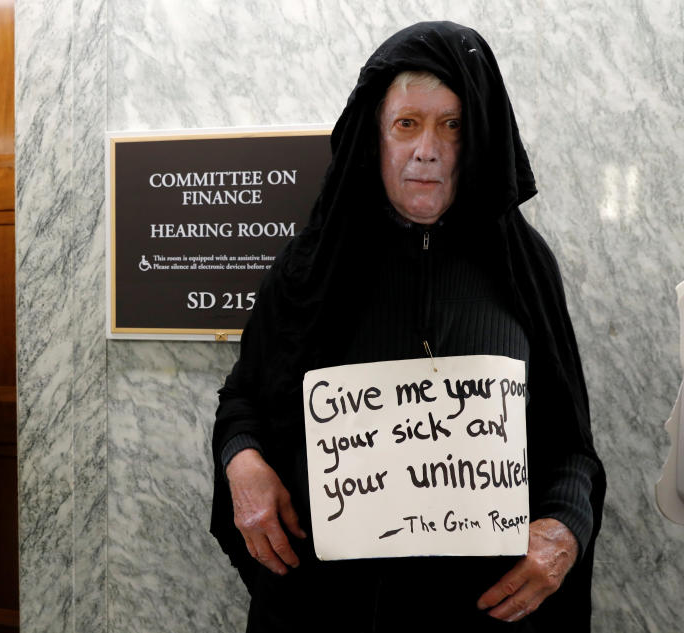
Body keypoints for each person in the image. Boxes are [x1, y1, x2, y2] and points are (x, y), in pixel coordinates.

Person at [210, 22, 605, 632]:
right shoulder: (310, 266)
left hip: (480, 612)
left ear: (478, 142)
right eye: (407, 124)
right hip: (325, 610)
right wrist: (243, 462)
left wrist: (564, 528)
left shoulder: (523, 268)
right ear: (375, 137)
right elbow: (243, 399)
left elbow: (570, 444)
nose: (428, 149)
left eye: (453, 126)